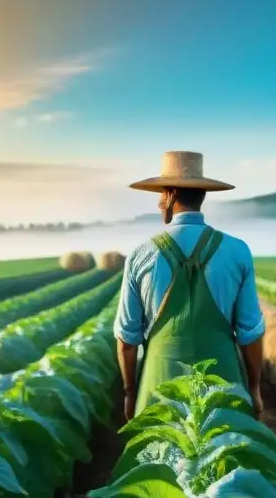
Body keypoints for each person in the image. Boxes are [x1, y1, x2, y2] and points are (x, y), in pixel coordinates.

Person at [114, 151, 266, 423]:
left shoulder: (140, 254)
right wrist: (253, 388)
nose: (160, 203)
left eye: (161, 195)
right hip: (223, 388)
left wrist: (130, 393)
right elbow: (250, 334)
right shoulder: (237, 251)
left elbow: (127, 339)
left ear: (171, 194)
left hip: (158, 388)